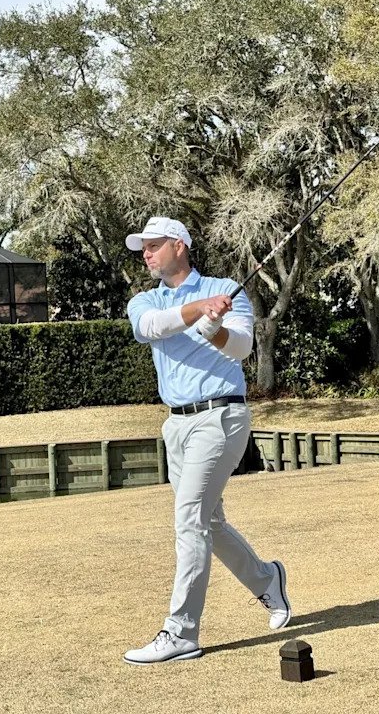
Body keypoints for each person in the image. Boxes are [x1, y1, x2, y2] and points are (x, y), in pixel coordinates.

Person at [122, 216, 292, 666]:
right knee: (209, 523)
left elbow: (239, 348)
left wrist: (213, 328)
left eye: (154, 245)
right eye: (144, 246)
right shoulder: (144, 300)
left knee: (190, 521)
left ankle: (180, 633)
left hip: (221, 418)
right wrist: (199, 310)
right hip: (175, 425)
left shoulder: (226, 287)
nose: (147, 253)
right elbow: (152, 327)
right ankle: (266, 580)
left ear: (179, 245)